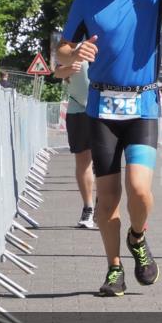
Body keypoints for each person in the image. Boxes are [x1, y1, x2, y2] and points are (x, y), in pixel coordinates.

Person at [56, 0, 162, 297]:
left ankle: (137, 236)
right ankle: (114, 268)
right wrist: (76, 53)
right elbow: (62, 51)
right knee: (107, 199)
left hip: (142, 105)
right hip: (101, 107)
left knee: (139, 189)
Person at [53, 59, 95, 229]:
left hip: (105, 110)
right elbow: (58, 72)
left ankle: (104, 206)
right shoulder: (71, 49)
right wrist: (70, 67)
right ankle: (88, 208)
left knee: (105, 162)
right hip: (78, 110)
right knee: (83, 161)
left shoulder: (106, 45)